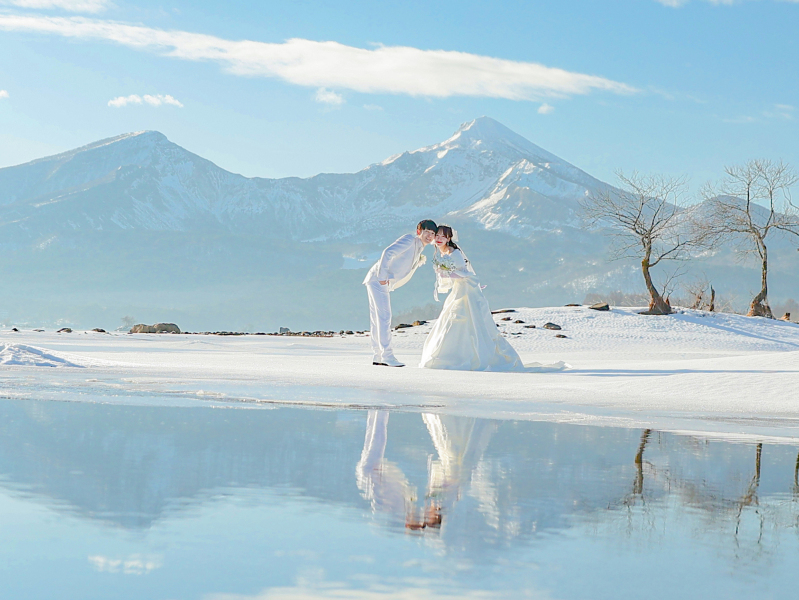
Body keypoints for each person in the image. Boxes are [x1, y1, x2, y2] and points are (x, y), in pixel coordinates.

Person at [419, 225, 525, 371]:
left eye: (443, 236)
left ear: (449, 238)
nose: (439, 239)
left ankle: (464, 357)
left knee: (467, 319)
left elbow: (463, 272)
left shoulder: (454, 252)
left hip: (466, 290)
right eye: (437, 236)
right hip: (459, 288)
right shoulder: (443, 252)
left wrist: (447, 273)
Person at [363, 220, 437, 367]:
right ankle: (387, 356)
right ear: (419, 232)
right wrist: (382, 276)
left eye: (433, 233)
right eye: (427, 232)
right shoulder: (410, 240)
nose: (430, 235)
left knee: (377, 318)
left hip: (378, 281)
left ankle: (378, 355)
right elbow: (388, 252)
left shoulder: (419, 247)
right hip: (378, 280)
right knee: (384, 317)